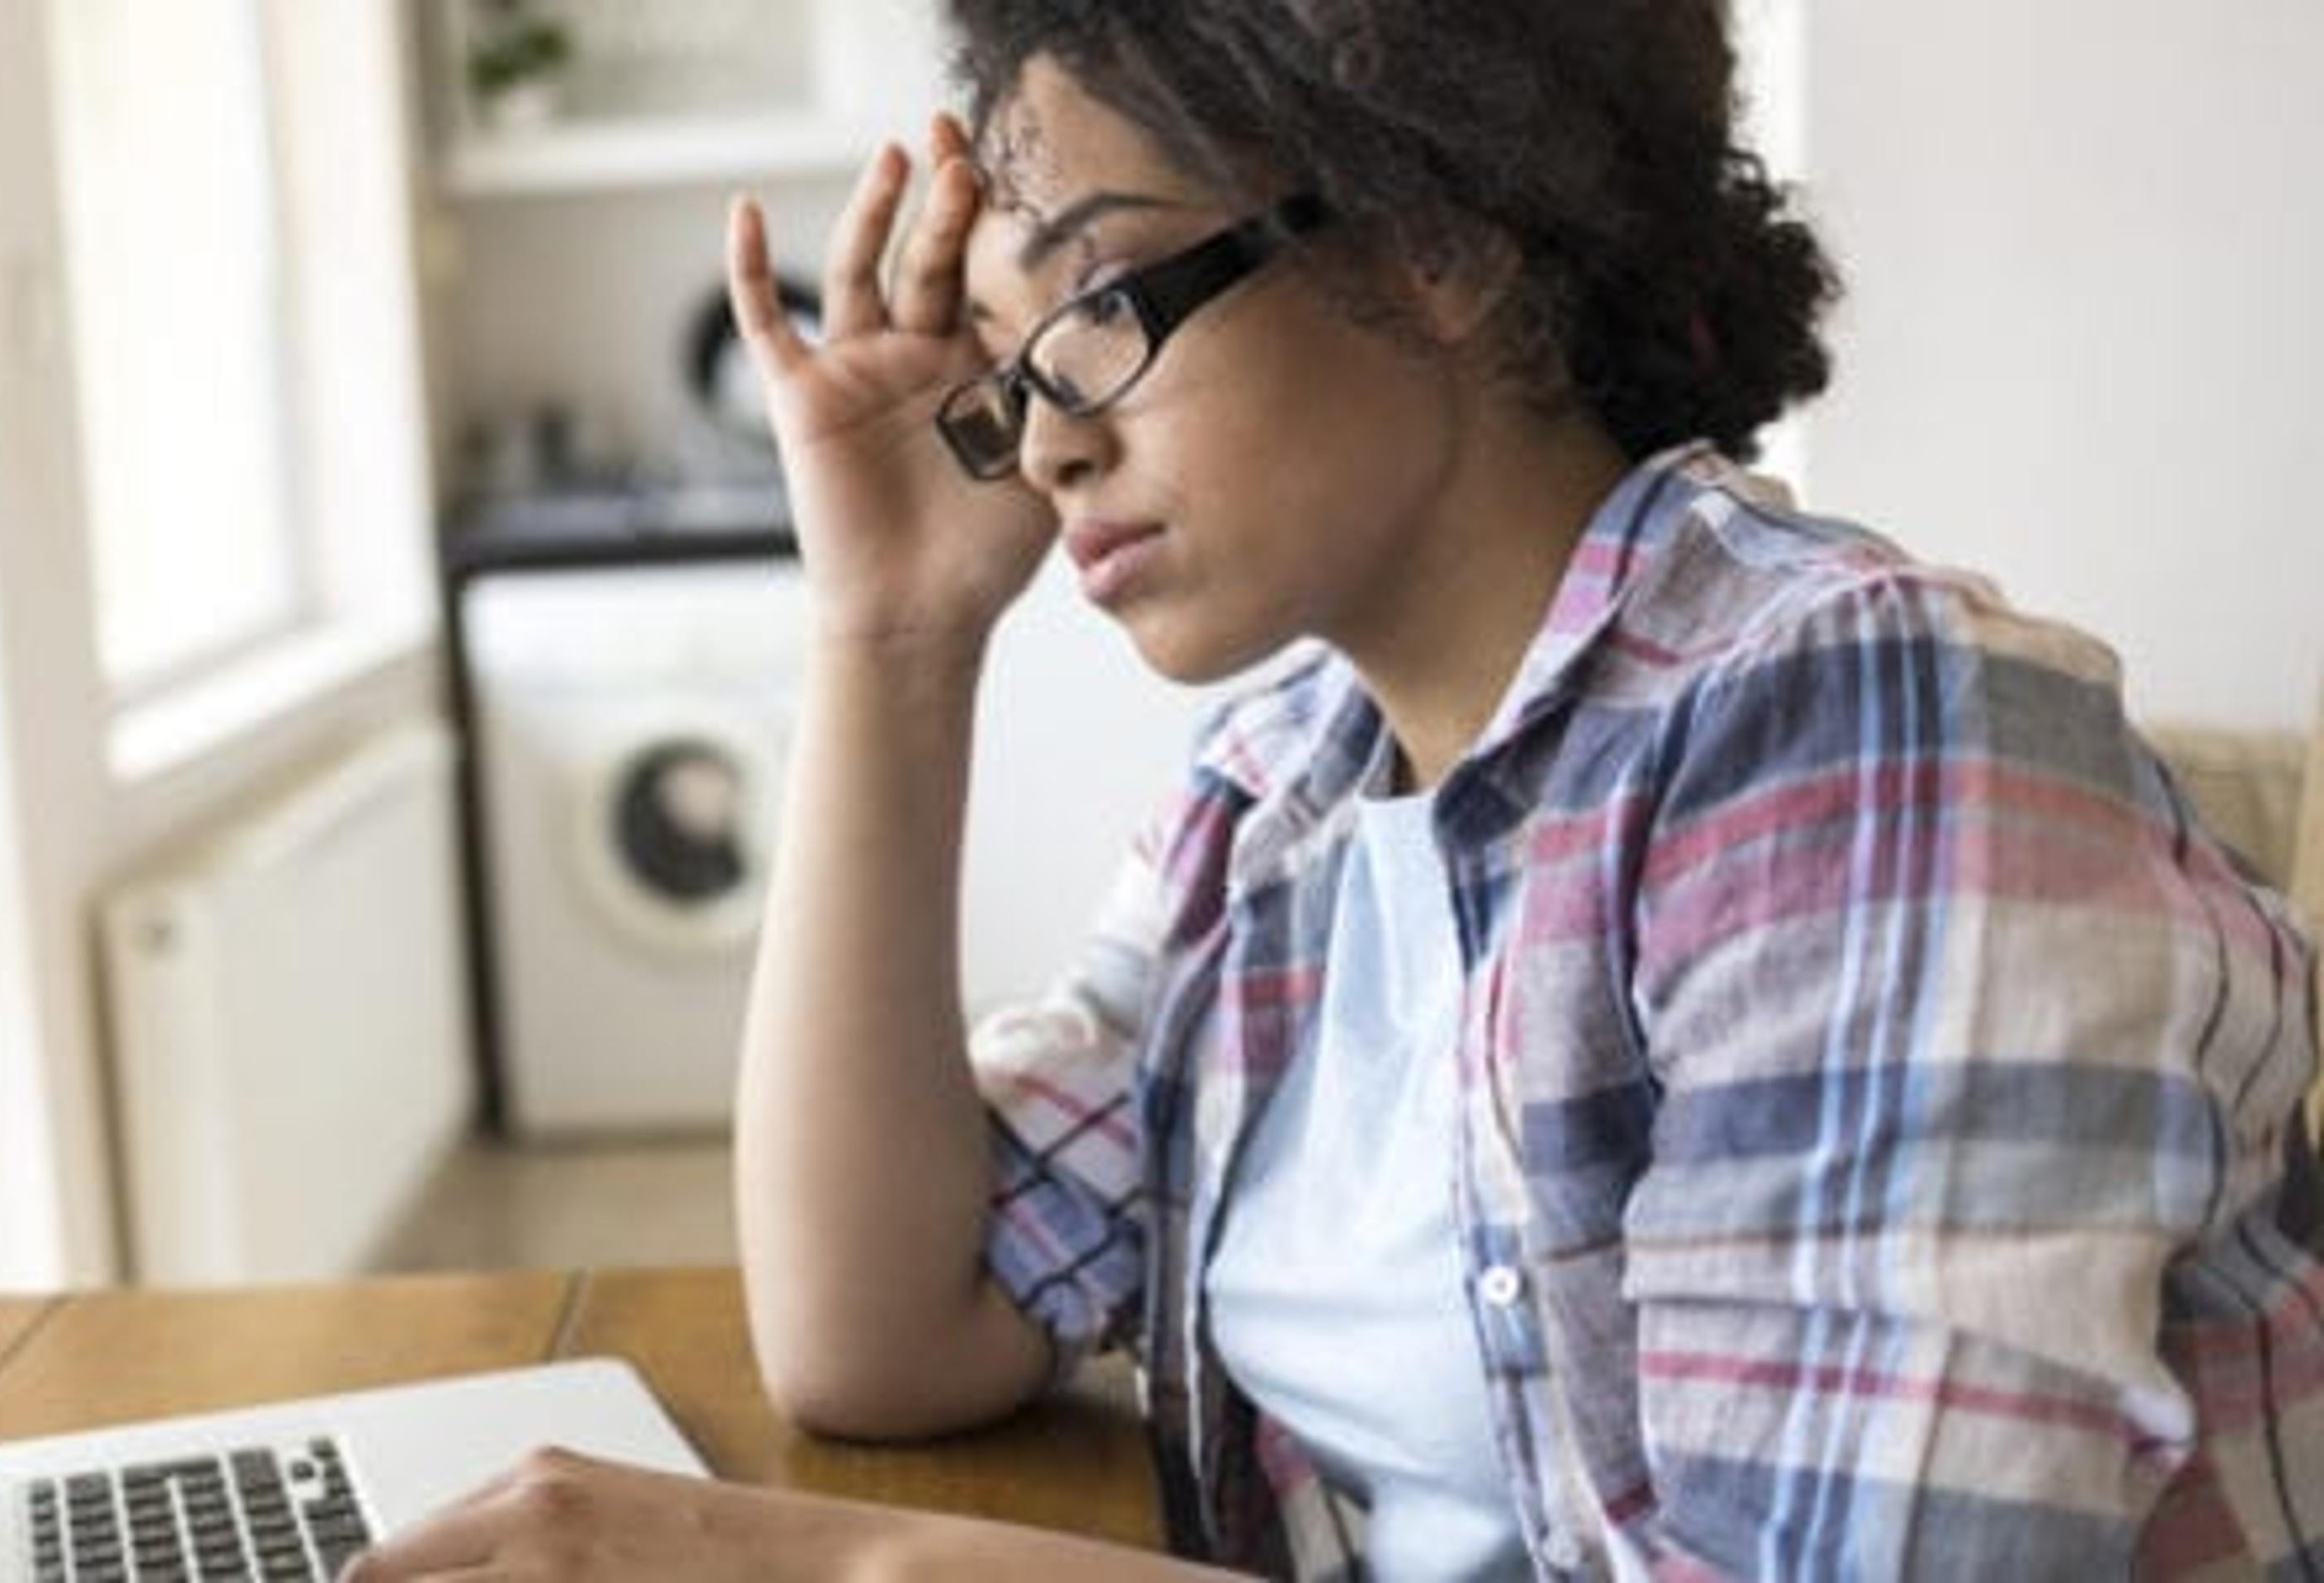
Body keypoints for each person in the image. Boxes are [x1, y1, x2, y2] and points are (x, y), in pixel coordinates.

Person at [349, 2, 2324, 1576]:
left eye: (1099, 310)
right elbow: (880, 1334)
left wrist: (826, 1570)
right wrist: (889, 640)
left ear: (1437, 243)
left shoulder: (1867, 733)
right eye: (1014, 369)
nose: (1041, 448)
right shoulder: (1288, 798)